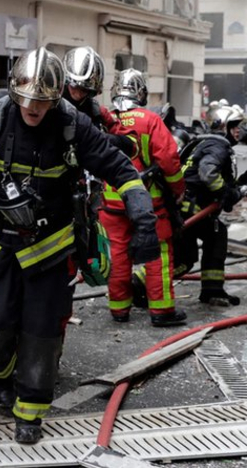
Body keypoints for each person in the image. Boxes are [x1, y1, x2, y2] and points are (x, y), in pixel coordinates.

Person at [0, 47, 160, 444]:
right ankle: (2, 374)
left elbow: (118, 168)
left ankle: (30, 411)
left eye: (44, 101)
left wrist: (142, 213)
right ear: (15, 93)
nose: (34, 108)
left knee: (43, 333)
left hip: (50, 248)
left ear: (56, 97)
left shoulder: (71, 125)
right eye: (28, 99)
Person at [99, 69, 187, 326]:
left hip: (112, 202)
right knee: (158, 255)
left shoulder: (107, 119)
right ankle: (161, 312)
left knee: (117, 255)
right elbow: (169, 160)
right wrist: (178, 188)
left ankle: (119, 310)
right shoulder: (150, 120)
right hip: (150, 203)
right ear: (141, 92)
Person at [176, 102, 247, 306]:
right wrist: (225, 194)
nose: (239, 130)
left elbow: (227, 185)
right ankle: (139, 285)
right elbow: (208, 173)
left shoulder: (203, 143)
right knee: (184, 260)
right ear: (222, 126)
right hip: (190, 211)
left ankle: (213, 290)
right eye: (234, 125)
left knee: (217, 234)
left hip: (191, 210)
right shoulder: (218, 146)